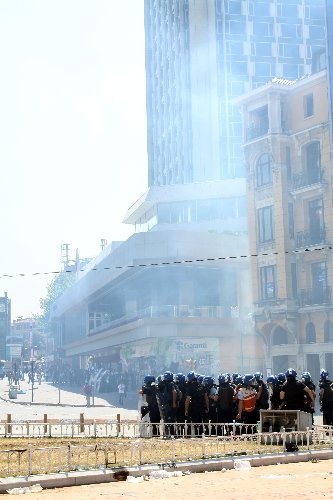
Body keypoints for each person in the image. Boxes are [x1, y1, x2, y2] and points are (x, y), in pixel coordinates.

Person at [184, 371, 209, 436]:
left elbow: (187, 399)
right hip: (202, 407)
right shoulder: (202, 386)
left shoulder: (190, 387)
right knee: (200, 422)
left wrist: (186, 409)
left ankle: (194, 435)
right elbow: (206, 398)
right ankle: (200, 435)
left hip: (193, 408)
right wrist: (207, 407)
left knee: (194, 422)